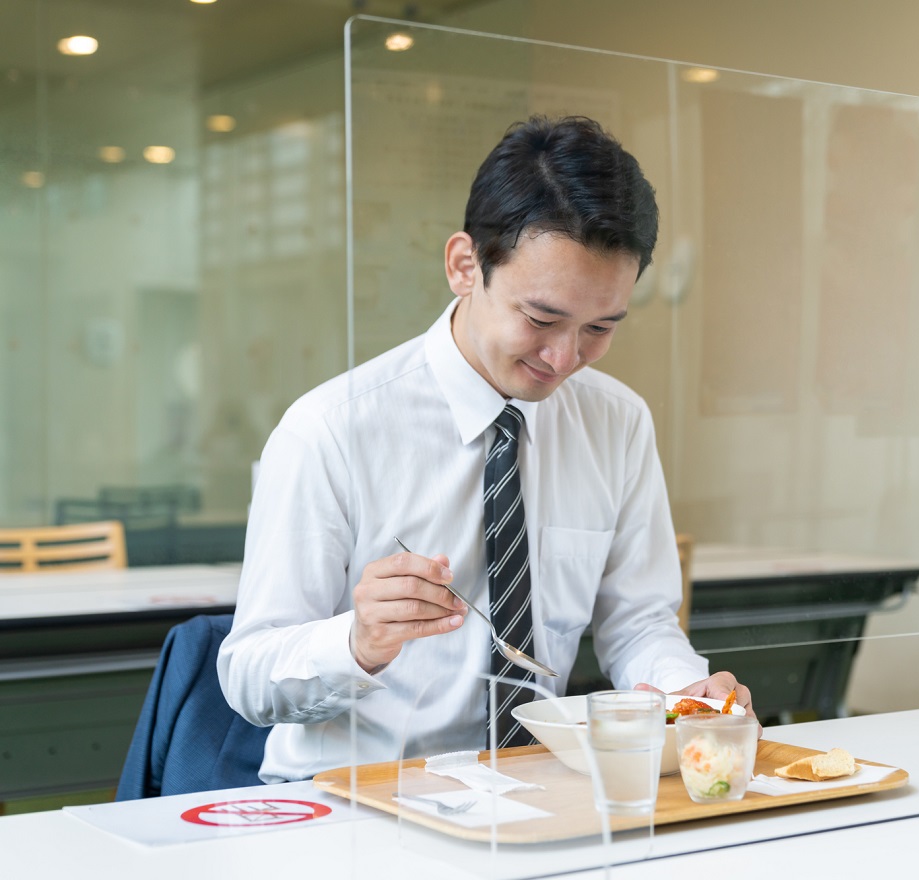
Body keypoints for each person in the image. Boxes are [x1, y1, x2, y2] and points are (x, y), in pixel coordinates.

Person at [218, 115, 753, 783]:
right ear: (464, 266)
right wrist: (357, 642)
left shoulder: (617, 421)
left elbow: (638, 623)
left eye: (600, 328)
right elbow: (247, 677)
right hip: (358, 802)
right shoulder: (330, 429)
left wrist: (684, 693)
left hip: (533, 793)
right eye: (541, 319)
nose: (564, 358)